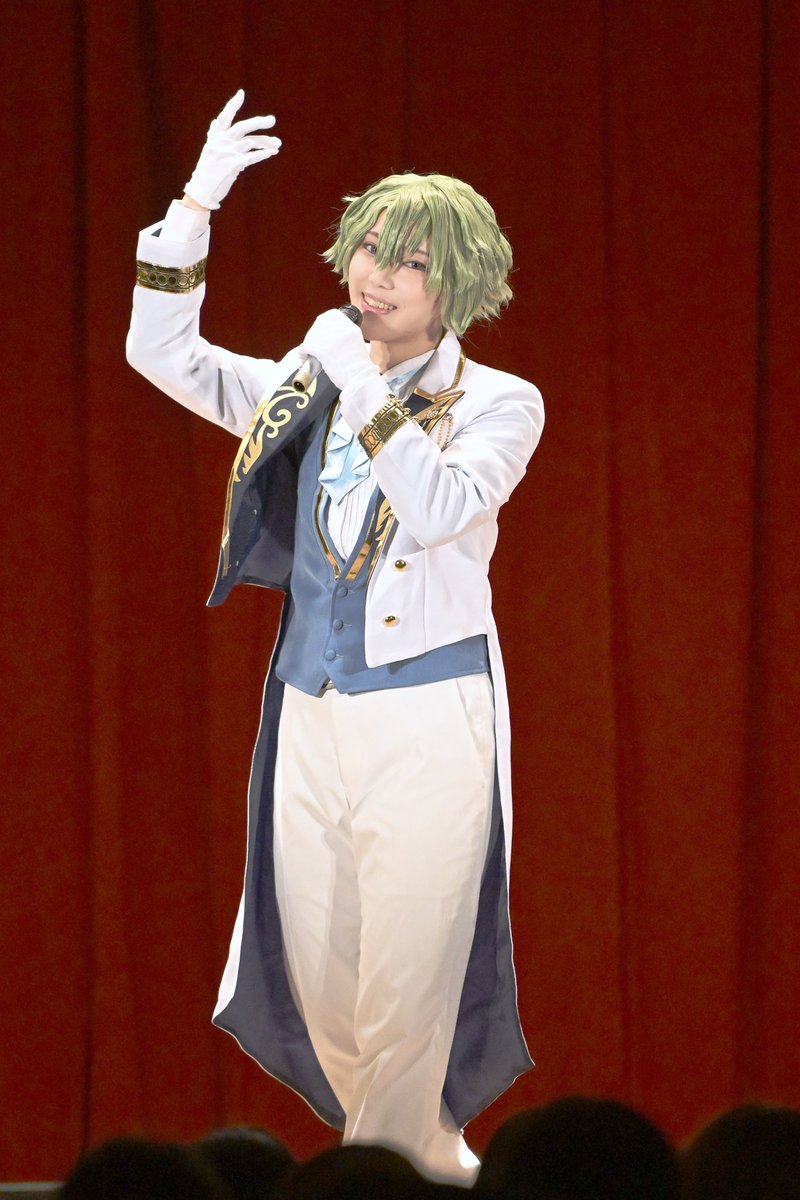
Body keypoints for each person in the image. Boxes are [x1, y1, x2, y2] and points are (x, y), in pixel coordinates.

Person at [127, 90, 544, 1185]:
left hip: (428, 710)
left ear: (456, 283)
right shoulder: (304, 386)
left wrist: (358, 384)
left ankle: (383, 1170)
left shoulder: (501, 402)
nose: (375, 276)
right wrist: (196, 202)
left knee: (409, 977)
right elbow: (163, 354)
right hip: (308, 706)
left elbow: (440, 504)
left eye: (408, 261)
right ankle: (424, 1158)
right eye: (367, 249)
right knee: (322, 976)